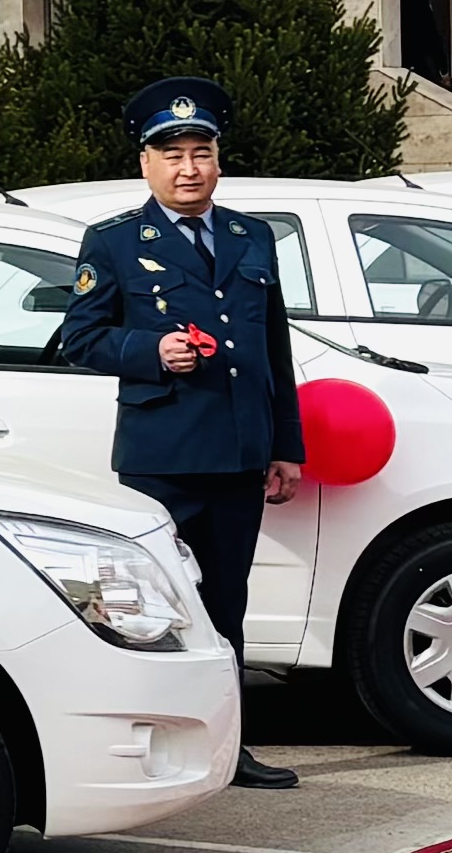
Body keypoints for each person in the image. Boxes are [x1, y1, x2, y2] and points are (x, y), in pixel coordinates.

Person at [46, 78, 302, 790]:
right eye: (173, 155)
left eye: (201, 153)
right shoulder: (116, 242)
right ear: (146, 163)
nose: (189, 169)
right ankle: (150, 746)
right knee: (154, 609)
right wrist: (150, 350)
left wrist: (286, 445)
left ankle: (229, 748)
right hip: (164, 457)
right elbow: (79, 338)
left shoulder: (252, 237)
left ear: (218, 159)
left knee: (226, 606)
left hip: (239, 455)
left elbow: (274, 347)